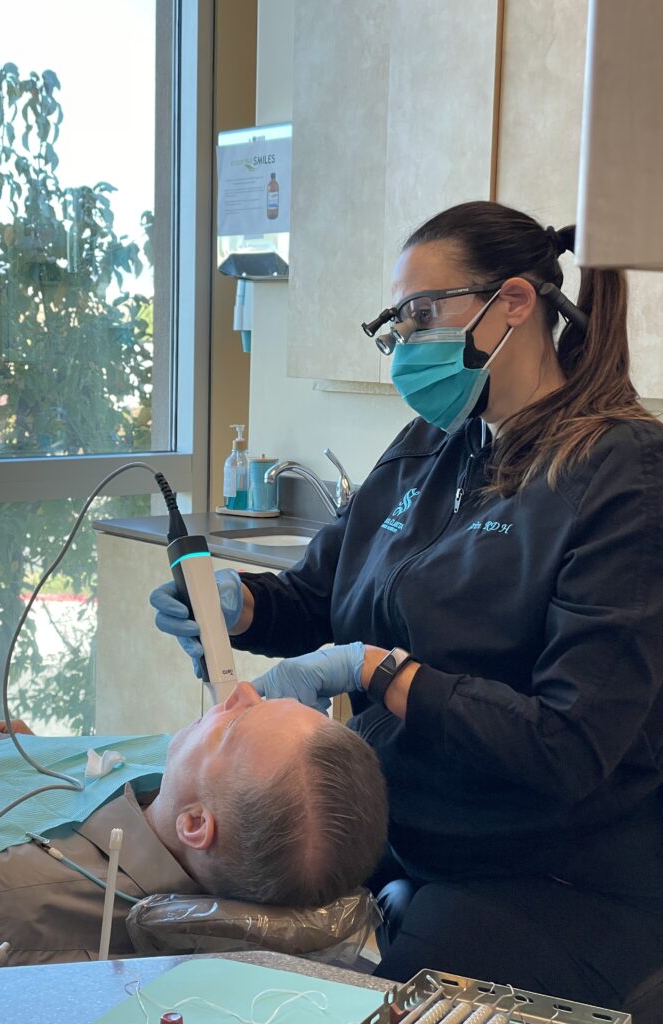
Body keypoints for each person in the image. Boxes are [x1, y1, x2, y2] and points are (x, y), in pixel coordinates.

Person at [152, 201, 663, 1013]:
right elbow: (320, 599)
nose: (406, 341)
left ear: (515, 304)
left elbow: (568, 746)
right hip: (401, 837)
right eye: (397, 321)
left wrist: (383, 672)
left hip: (552, 876)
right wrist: (239, 608)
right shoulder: (434, 446)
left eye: (423, 314)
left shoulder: (623, 475)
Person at [0, 667, 387, 995]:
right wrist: (31, 757)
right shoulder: (191, 804)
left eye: (236, 724)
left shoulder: (3, 900)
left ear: (196, 824)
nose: (240, 691)